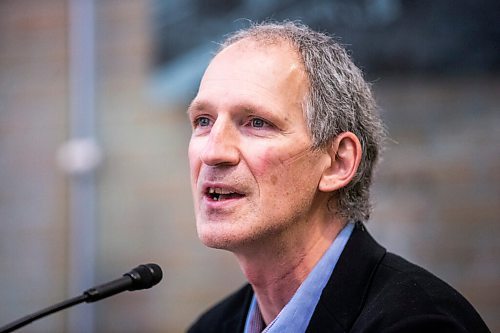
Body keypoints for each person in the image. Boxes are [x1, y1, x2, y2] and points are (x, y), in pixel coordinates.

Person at [186, 21, 490, 333]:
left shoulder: (420, 325)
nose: (213, 152)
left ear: (338, 162)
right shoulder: (210, 327)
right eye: (203, 120)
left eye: (256, 123)